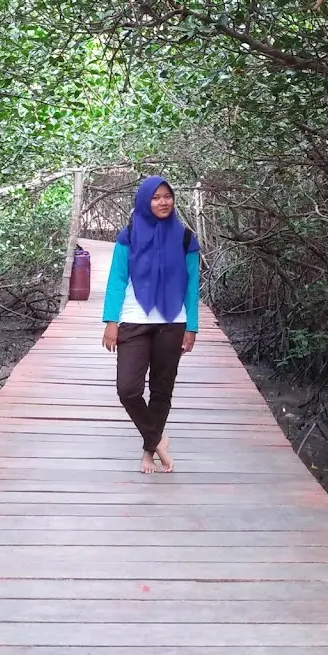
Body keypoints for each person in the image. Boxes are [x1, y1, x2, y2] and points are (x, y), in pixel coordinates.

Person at [101, 176, 200, 474]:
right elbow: (117, 280)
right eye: (156, 197)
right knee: (127, 389)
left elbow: (192, 286)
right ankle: (157, 439)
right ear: (145, 201)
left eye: (167, 196)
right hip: (133, 319)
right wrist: (111, 321)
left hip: (173, 323)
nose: (163, 202)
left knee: (161, 390)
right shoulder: (129, 234)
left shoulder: (185, 237)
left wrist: (192, 327)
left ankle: (148, 451)